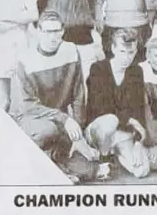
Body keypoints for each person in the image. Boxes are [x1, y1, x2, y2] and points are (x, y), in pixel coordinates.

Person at [12, 11, 99, 183]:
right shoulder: (25, 59)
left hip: (58, 120)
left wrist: (78, 132)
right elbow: (28, 106)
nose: (52, 37)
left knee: (89, 170)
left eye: (56, 31)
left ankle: (55, 160)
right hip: (32, 119)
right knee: (48, 130)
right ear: (38, 32)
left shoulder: (71, 50)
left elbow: (78, 94)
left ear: (62, 31)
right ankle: (38, 161)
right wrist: (65, 119)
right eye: (47, 32)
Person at [85, 28, 157, 178]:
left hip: (123, 131)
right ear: (113, 48)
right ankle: (104, 158)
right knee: (110, 120)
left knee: (142, 171)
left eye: (131, 53)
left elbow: (138, 109)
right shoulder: (98, 69)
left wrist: (139, 141)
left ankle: (116, 154)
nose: (126, 58)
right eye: (122, 52)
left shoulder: (136, 71)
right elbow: (101, 108)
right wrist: (130, 120)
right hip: (99, 130)